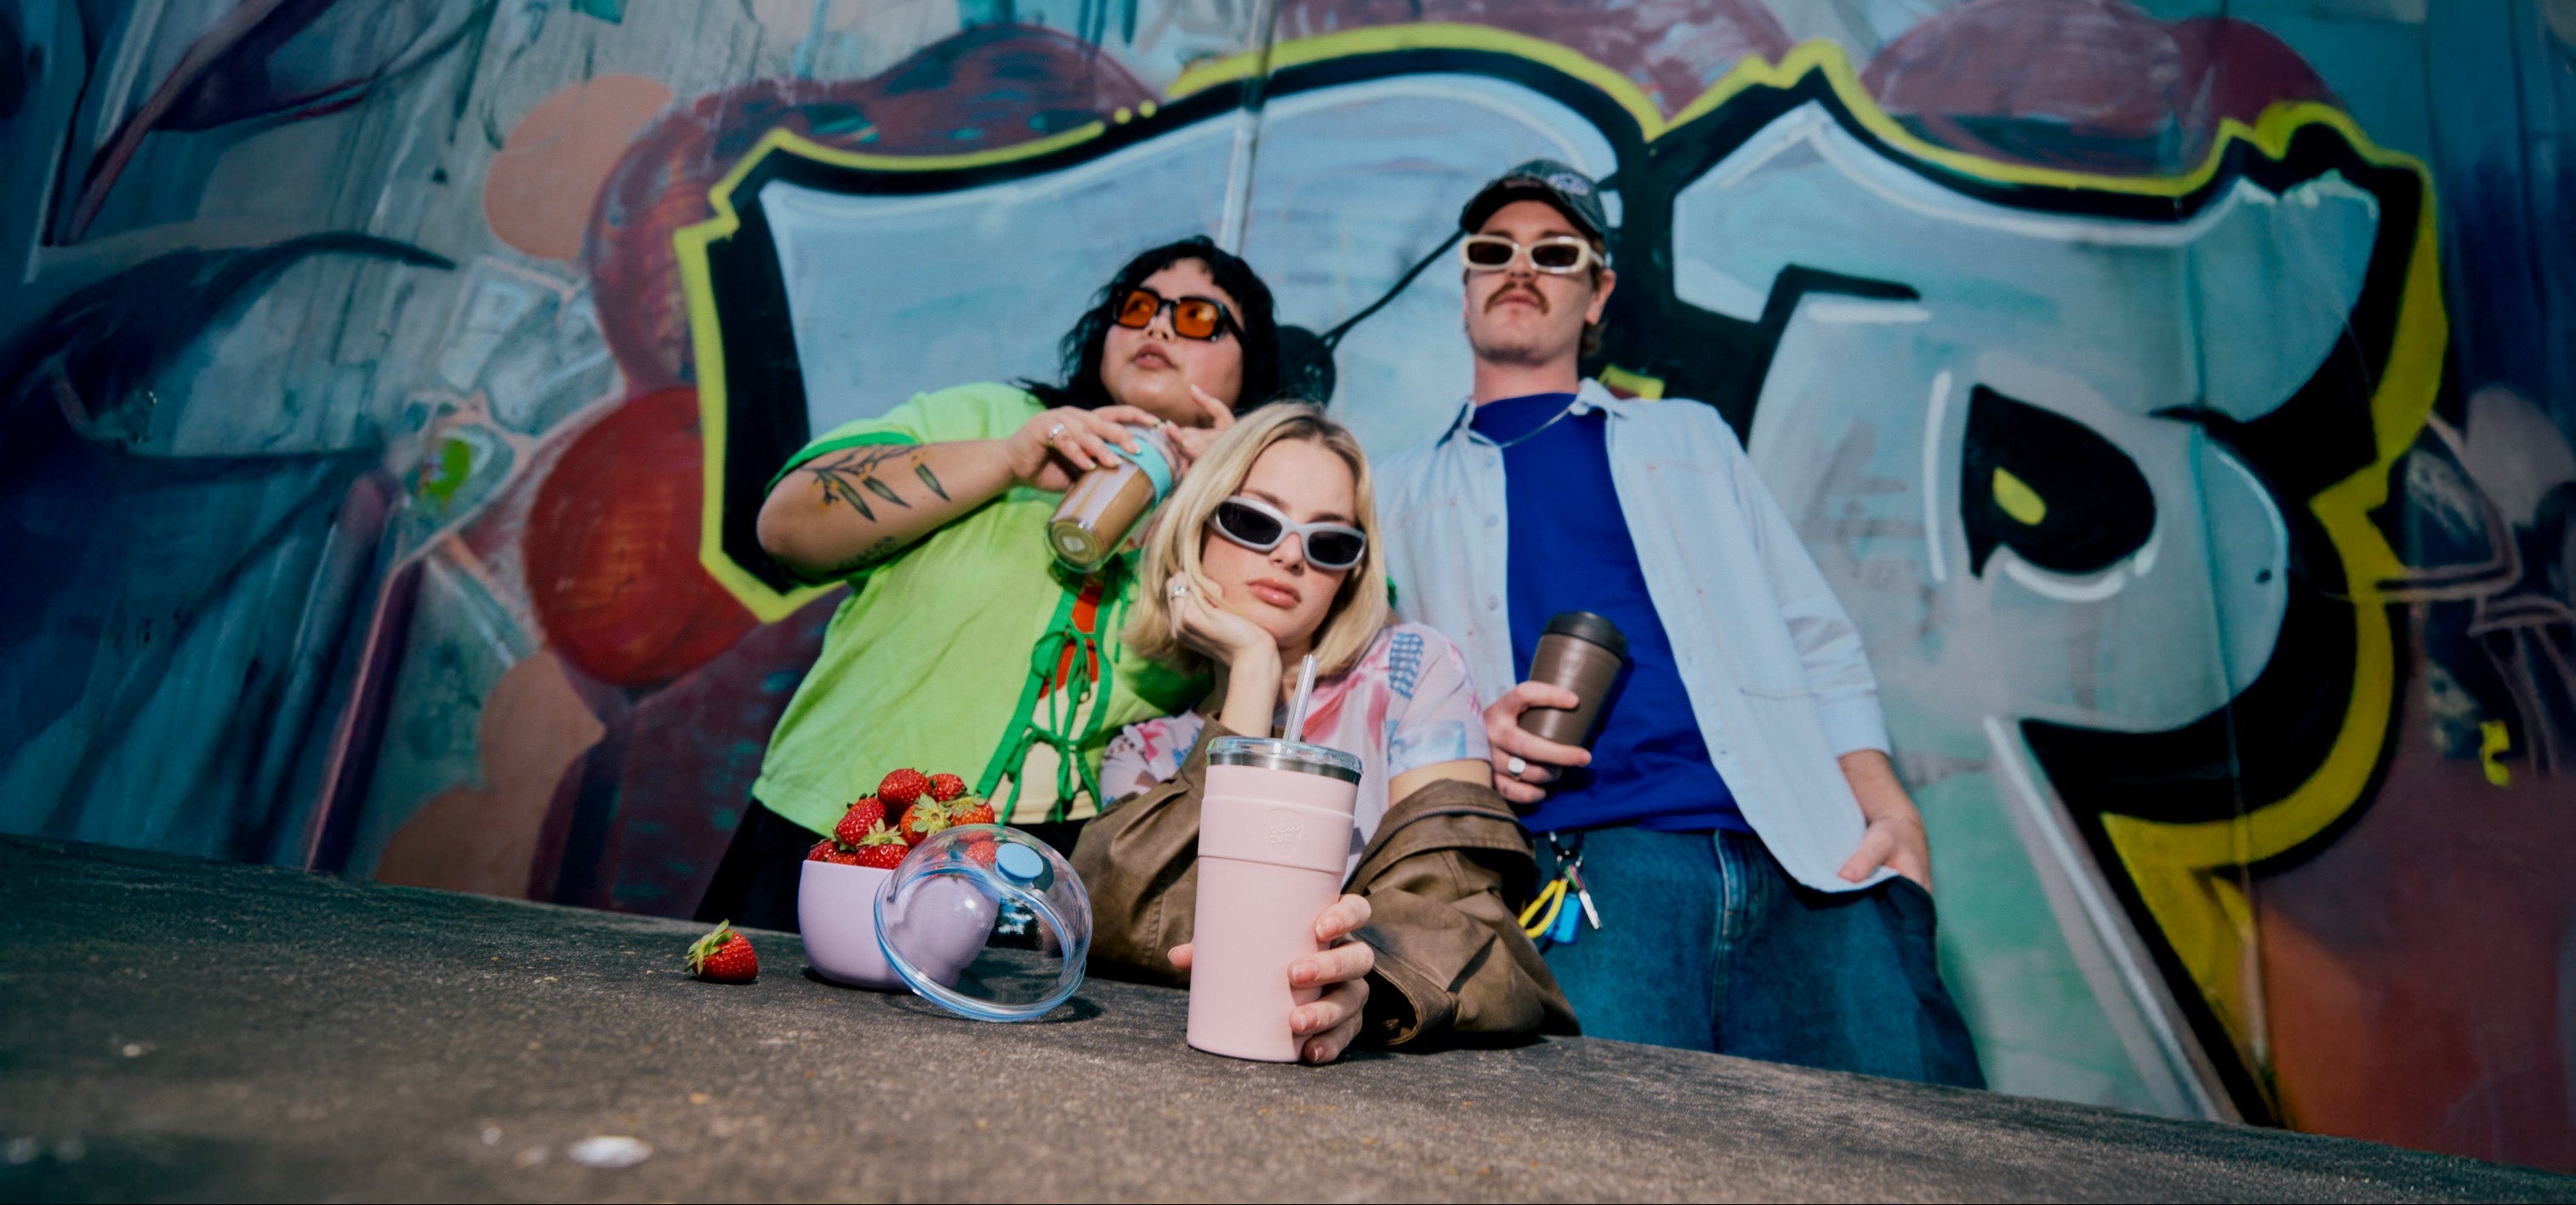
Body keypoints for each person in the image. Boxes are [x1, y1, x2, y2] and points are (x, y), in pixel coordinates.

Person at [1373, 161, 1983, 1086]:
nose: (1520, 267)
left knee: (1914, 1154)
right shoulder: (1395, 489)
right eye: (1492, 250)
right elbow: (1374, 687)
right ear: (1465, 286)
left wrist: (1886, 803)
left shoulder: (1689, 437)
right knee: (1605, 1162)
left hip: (1804, 859)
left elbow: (1811, 630)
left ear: (1597, 293)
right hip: (1590, 873)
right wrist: (1463, 740)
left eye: (1555, 251)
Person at [696, 236, 1283, 932]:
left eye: (1196, 317)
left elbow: (1339, 638)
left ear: (1249, 372)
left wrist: (1231, 491)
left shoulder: (1254, 518)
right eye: (1139, 307)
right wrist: (1008, 461)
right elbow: (785, 528)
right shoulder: (993, 419)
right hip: (835, 826)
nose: (1157, 325)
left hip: (1035, 880)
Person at [1074, 403, 1576, 1064]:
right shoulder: (1145, 752)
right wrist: (1252, 674)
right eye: (1254, 521)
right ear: (1196, 526)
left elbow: (1462, 913)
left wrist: (1366, 978)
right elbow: (1127, 923)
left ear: (1351, 574)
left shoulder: (1411, 673)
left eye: (1330, 542)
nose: (1288, 555)